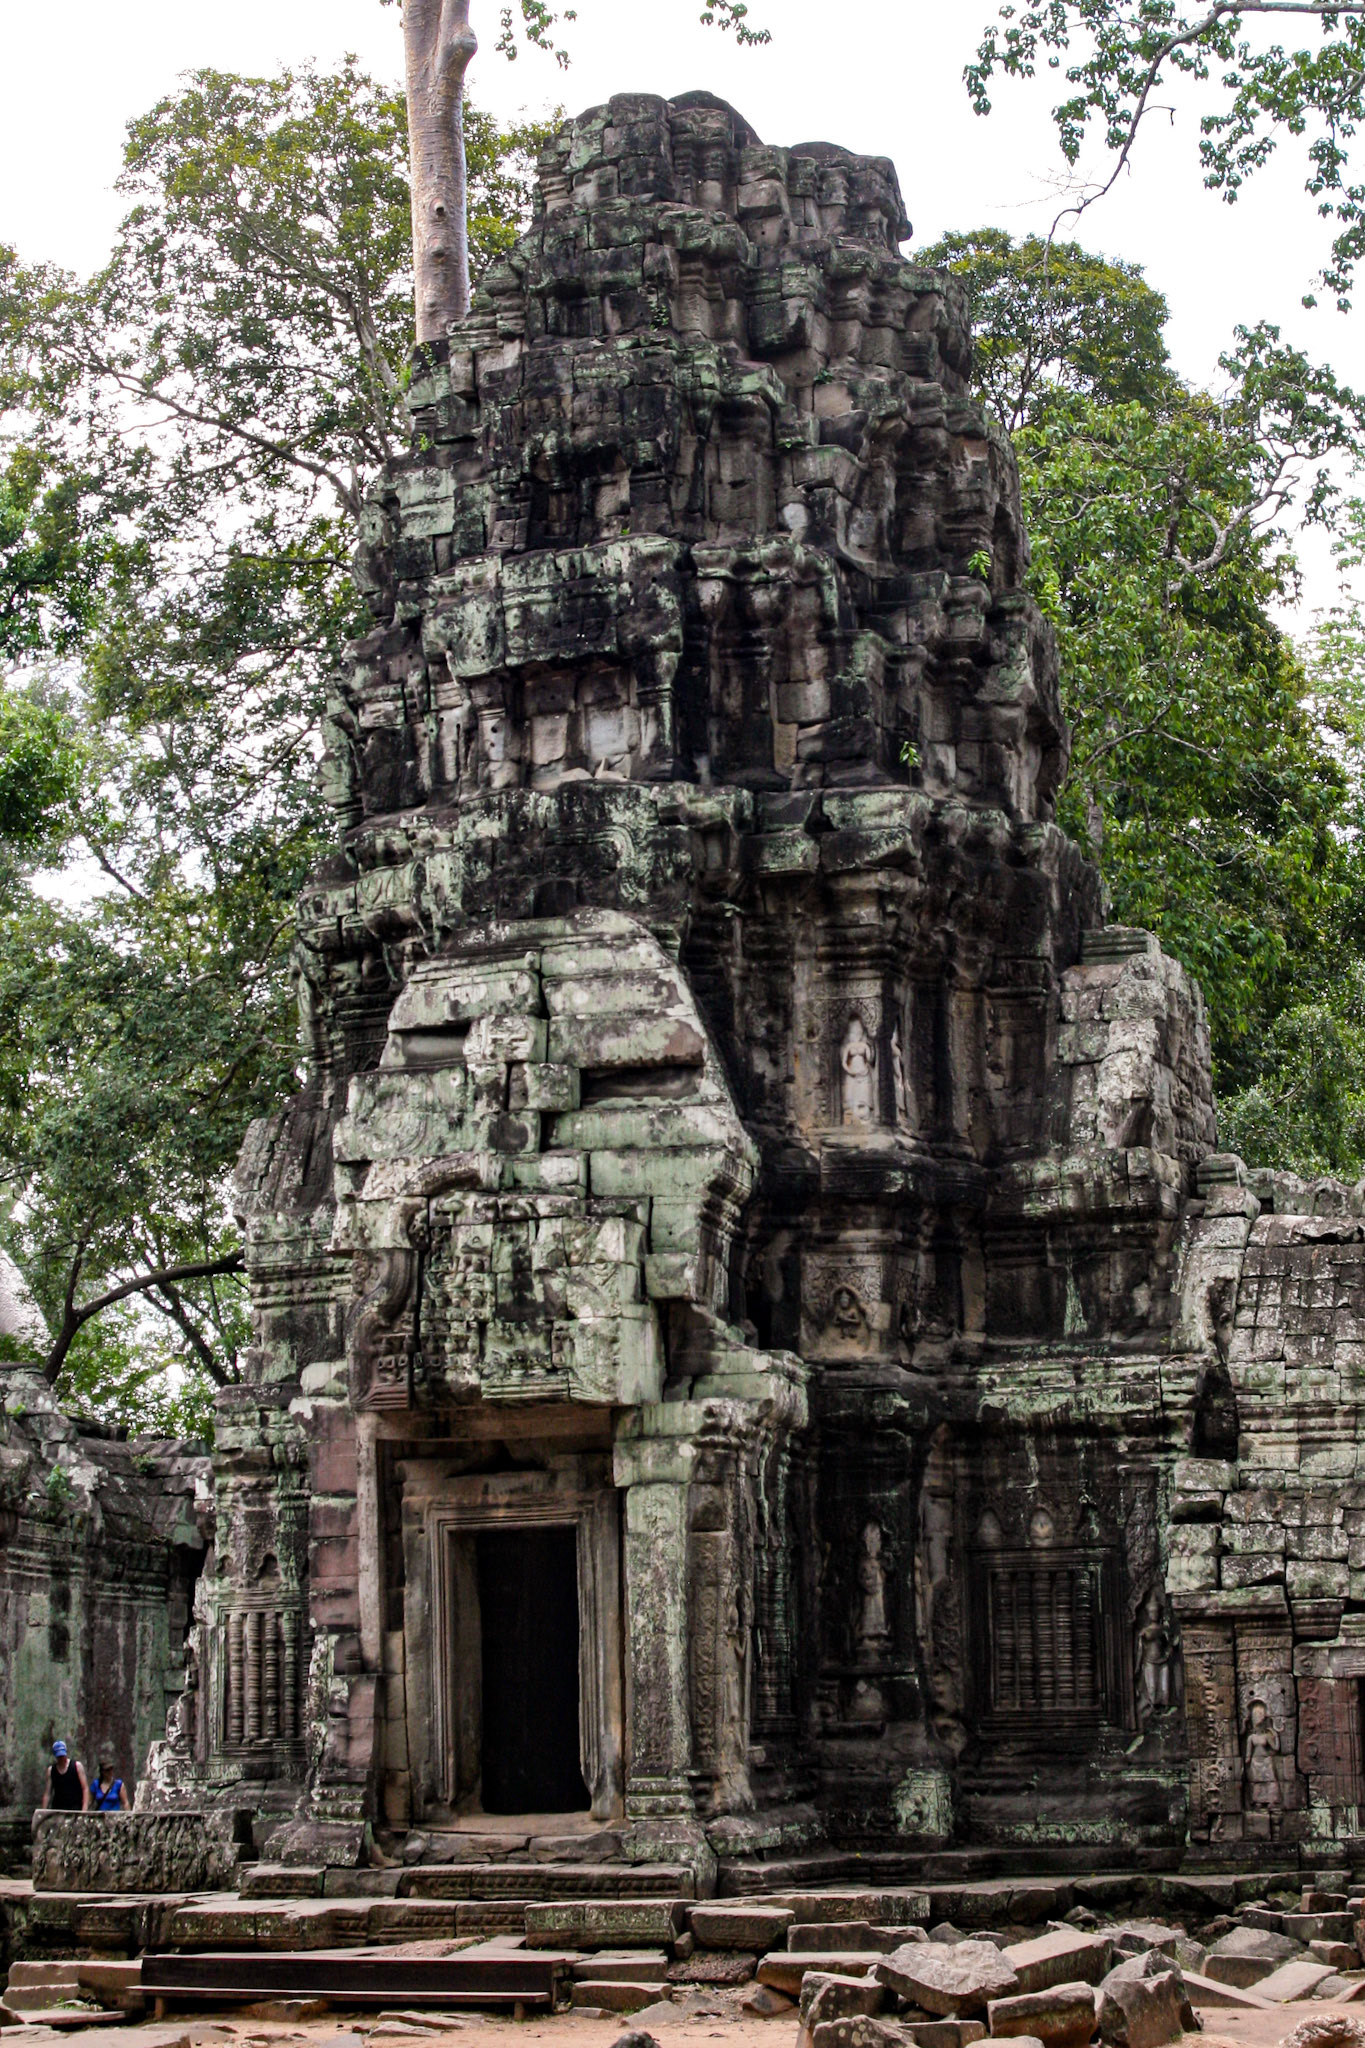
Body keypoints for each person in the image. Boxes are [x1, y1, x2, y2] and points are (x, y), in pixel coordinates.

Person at [41, 1741, 89, 1811]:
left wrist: (84, 1809)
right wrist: (43, 1811)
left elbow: (85, 1788)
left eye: (62, 1756)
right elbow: (47, 1793)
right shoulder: (51, 1770)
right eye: (59, 1756)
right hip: (58, 1808)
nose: (61, 1758)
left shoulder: (77, 1766)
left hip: (75, 1807)